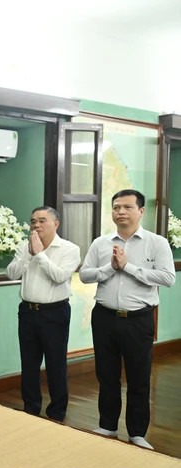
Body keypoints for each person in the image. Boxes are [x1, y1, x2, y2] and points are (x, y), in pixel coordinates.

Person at [79, 189, 175, 450]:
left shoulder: (156, 243)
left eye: (127, 207)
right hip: (105, 318)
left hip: (138, 319)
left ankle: (137, 432)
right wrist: (111, 267)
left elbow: (168, 278)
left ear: (141, 211)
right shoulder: (101, 243)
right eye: (116, 207)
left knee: (138, 377)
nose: (120, 211)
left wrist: (128, 267)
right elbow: (85, 275)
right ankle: (107, 425)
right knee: (106, 375)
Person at [6, 206, 80, 422]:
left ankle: (57, 412)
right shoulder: (24, 246)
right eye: (33, 221)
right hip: (28, 312)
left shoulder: (69, 249)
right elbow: (12, 273)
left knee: (56, 364)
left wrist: (39, 255)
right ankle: (30, 408)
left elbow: (59, 276)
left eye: (42, 221)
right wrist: (28, 255)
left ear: (56, 224)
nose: (36, 225)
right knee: (28, 363)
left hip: (54, 313)